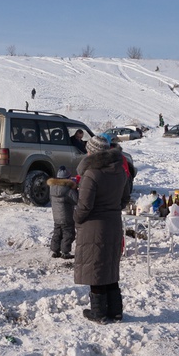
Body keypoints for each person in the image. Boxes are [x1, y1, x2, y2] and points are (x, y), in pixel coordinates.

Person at [73, 133, 131, 323]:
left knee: (95, 269)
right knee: (110, 268)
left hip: (94, 226)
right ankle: (115, 311)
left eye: (88, 150)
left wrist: (76, 218)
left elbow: (84, 206)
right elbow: (124, 200)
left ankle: (98, 312)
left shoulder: (92, 174)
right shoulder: (120, 171)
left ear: (93, 153)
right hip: (113, 224)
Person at [48, 166, 78, 259]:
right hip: (67, 216)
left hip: (56, 216)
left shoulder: (52, 187)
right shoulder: (68, 189)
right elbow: (76, 200)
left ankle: (55, 251)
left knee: (57, 233)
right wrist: (75, 189)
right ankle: (65, 252)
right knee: (68, 234)